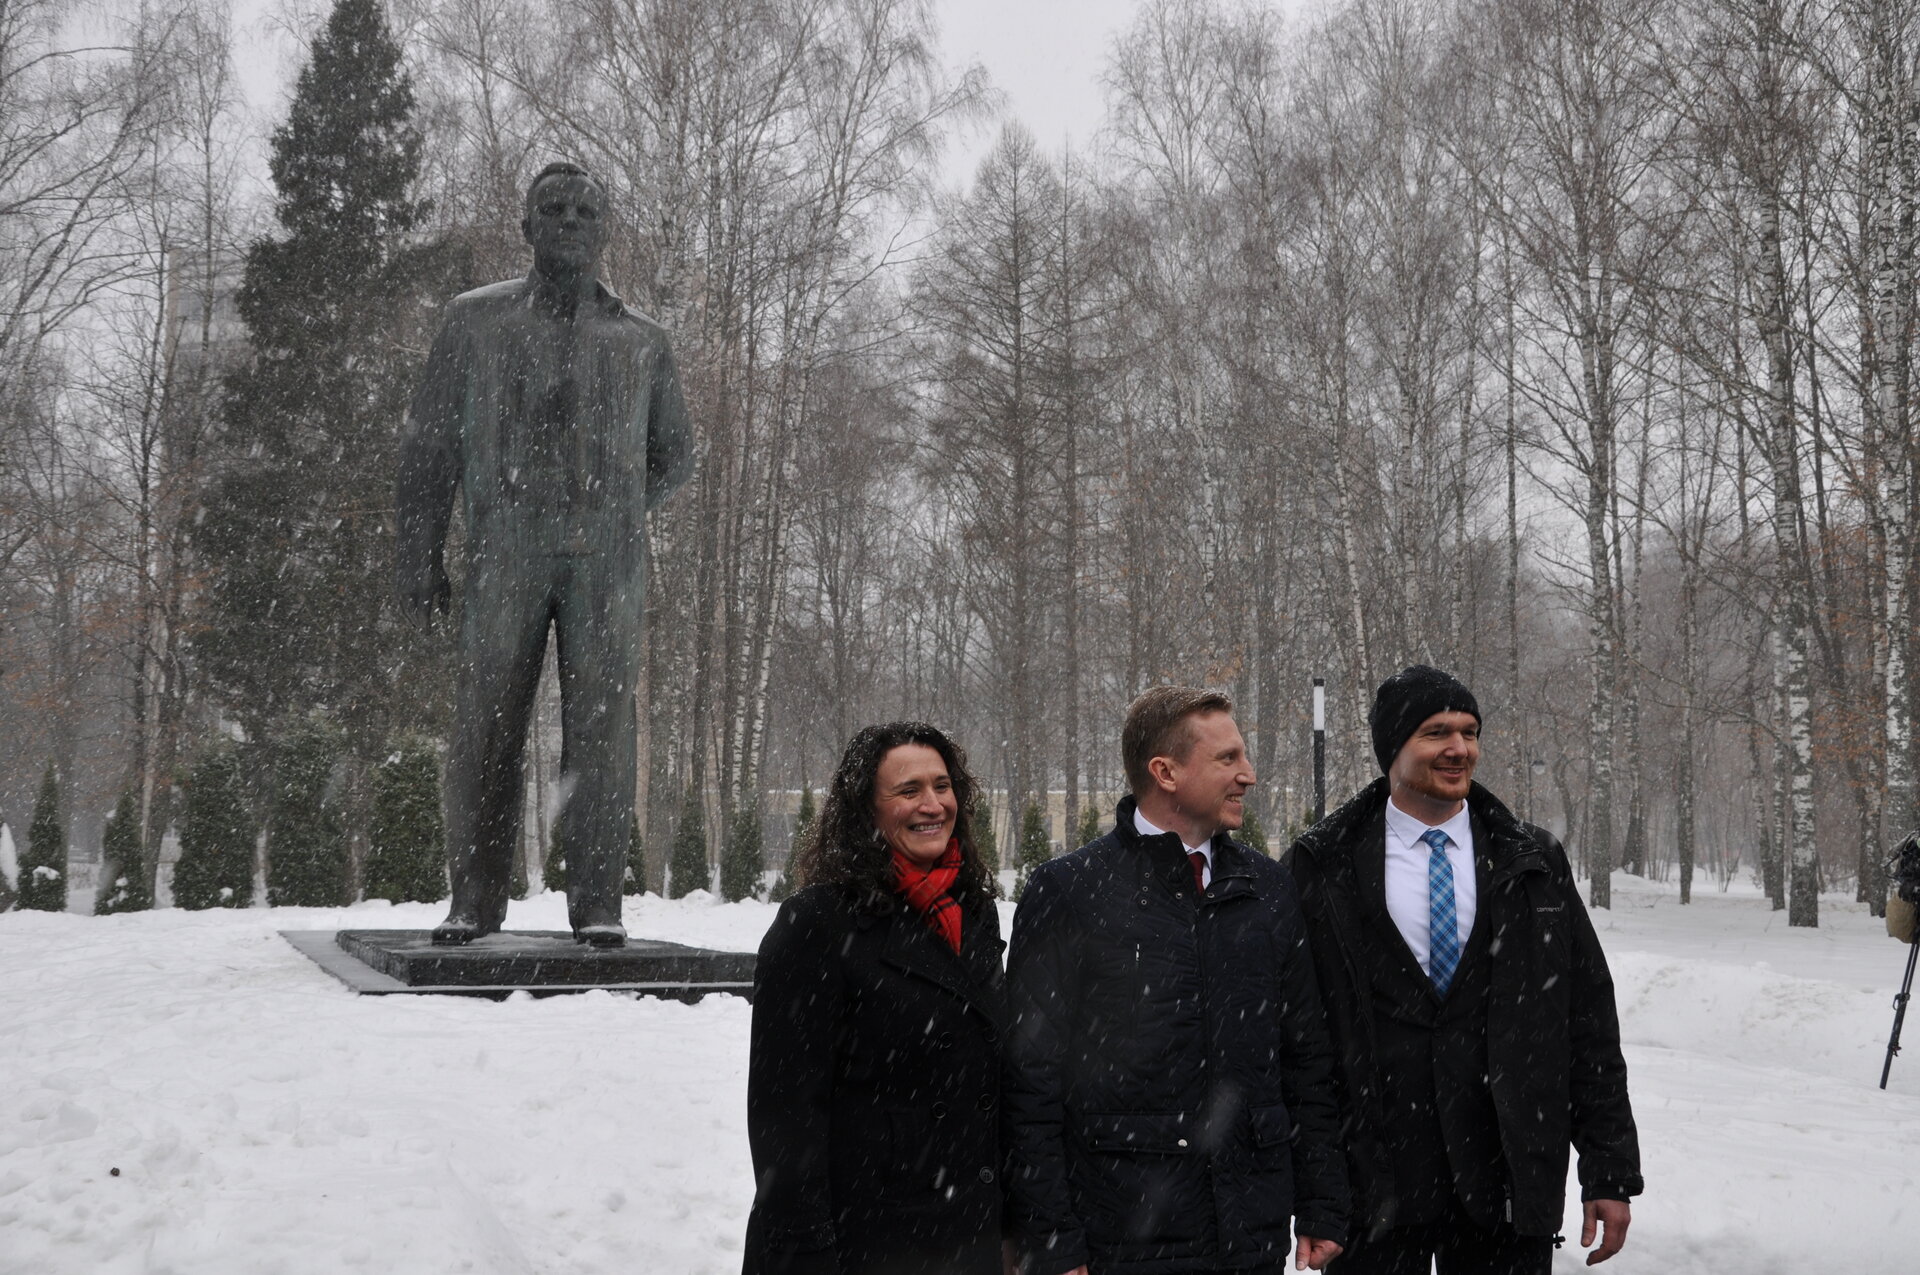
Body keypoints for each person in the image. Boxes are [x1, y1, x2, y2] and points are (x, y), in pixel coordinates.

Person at [395, 161, 694, 947]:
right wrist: (419, 554)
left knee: (602, 731)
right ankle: (474, 899)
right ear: (526, 227)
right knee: (486, 724)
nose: (568, 219)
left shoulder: (641, 341)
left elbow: (675, 454)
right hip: (505, 554)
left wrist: (618, 507)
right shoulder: (475, 323)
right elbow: (427, 450)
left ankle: (598, 903)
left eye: (584, 210)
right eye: (552, 208)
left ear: (604, 231)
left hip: (607, 563)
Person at [1282, 665, 1642, 1274]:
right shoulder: (1324, 866)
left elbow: (1586, 1021)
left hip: (1505, 1177)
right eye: (1436, 732)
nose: (1459, 749)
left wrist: (1608, 1167)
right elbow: (1299, 1043)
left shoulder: (1533, 861)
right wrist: (1316, 1192)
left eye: (1470, 732)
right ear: (1393, 749)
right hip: (1373, 1184)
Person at [1003, 687, 1349, 1275]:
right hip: (1124, 1233)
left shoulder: (1269, 889)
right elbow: (1030, 1084)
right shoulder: (1069, 893)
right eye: (1228, 759)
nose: (1249, 775)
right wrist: (1052, 1237)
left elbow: (1307, 1058)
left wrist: (1321, 1201)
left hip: (1249, 1232)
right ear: (1164, 771)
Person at [744, 722, 1008, 1275]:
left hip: (964, 1232)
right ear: (866, 811)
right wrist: (806, 1252)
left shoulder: (974, 912)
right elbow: (785, 1117)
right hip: (864, 1240)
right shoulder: (817, 923)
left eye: (942, 785)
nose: (932, 805)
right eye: (908, 791)